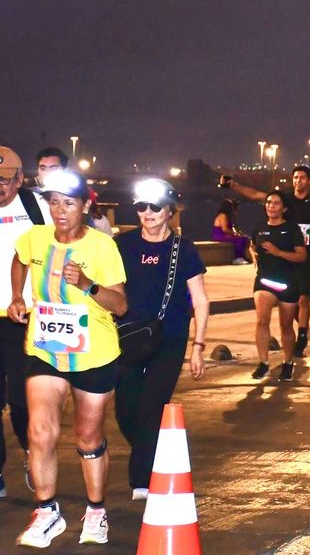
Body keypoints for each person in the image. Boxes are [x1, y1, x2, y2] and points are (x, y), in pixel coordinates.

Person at [9, 169, 127, 547]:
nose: (60, 212)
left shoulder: (102, 246)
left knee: (88, 438)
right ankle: (47, 512)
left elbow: (121, 305)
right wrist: (16, 296)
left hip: (94, 353)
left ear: (86, 205)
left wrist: (86, 285)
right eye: (54, 202)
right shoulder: (36, 237)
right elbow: (19, 259)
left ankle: (95, 510)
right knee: (39, 430)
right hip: (45, 348)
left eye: (69, 204)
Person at [113, 179, 209, 500]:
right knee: (125, 410)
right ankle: (149, 449)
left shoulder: (184, 249)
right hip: (128, 337)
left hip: (169, 339)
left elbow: (200, 299)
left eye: (155, 206)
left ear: (169, 210)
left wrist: (198, 347)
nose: (148, 212)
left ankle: (141, 479)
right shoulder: (122, 244)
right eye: (142, 206)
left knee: (151, 406)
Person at [225, 165, 310, 358]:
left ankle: (302, 335)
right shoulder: (284, 199)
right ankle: (298, 330)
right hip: (287, 259)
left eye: (302, 178)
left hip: (305, 257)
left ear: (309, 180)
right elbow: (255, 194)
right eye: (295, 177)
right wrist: (234, 185)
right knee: (293, 302)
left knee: (303, 298)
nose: (298, 181)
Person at [0, 146, 49, 499]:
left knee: (22, 399)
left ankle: (33, 456)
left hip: (24, 320)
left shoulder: (38, 208)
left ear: (19, 179)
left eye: (4, 181)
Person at [249, 192, 307, 381]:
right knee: (261, 320)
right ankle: (263, 363)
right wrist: (252, 254)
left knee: (286, 326)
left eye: (276, 203)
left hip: (288, 282)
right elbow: (252, 245)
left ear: (284, 208)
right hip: (264, 280)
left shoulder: (291, 229)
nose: (271, 206)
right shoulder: (259, 227)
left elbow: (302, 256)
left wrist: (279, 252)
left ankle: (288, 362)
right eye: (268, 203)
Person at [211, 198, 251, 265]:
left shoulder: (228, 216)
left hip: (224, 234)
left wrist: (238, 233)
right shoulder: (223, 215)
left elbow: (232, 227)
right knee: (239, 239)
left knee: (244, 238)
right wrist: (236, 234)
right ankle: (237, 258)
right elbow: (225, 229)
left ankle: (242, 257)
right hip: (219, 235)